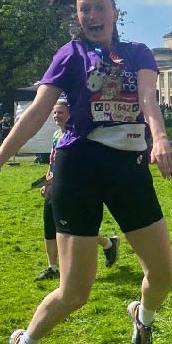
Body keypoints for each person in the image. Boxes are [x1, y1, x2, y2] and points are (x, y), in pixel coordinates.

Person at [0, 0, 172, 344]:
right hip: (80, 169)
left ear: (114, 12)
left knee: (162, 274)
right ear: (78, 16)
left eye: (99, 8)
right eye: (83, 10)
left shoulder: (138, 53)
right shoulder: (70, 55)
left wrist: (160, 138)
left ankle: (143, 318)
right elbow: (35, 114)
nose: (91, 16)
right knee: (75, 292)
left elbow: (148, 101)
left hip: (129, 169)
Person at [35, 98, 120, 281]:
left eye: (61, 113)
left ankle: (107, 244)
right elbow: (53, 163)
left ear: (71, 114)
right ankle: (53, 267)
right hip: (54, 187)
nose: (57, 116)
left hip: (72, 188)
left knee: (74, 230)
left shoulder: (79, 137)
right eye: (55, 113)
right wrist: (47, 182)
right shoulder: (56, 136)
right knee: (50, 227)